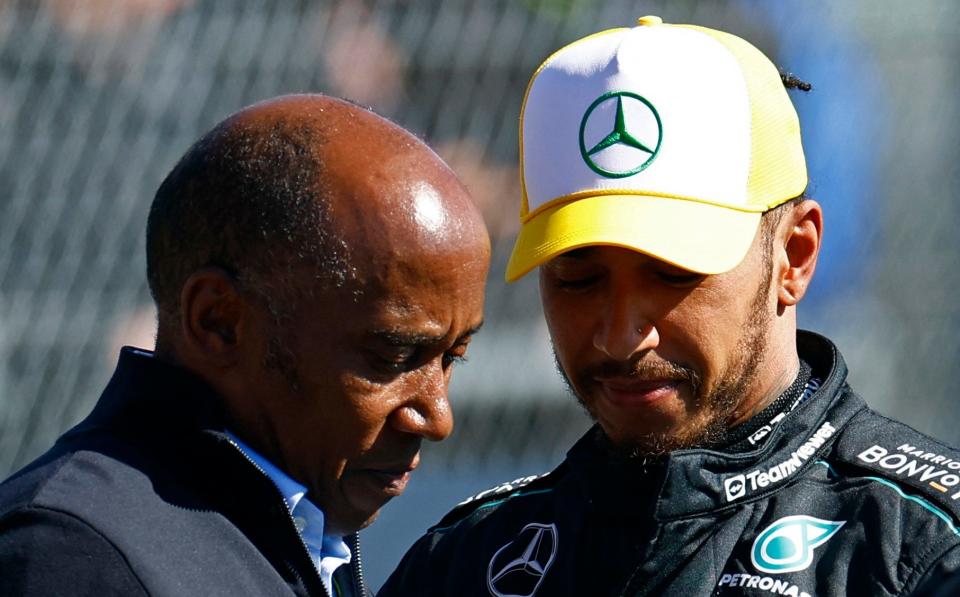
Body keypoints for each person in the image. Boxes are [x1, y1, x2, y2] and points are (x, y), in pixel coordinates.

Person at [381, 16, 960, 597]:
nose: (621, 335)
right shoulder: (466, 561)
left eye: (673, 272)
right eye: (578, 278)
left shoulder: (921, 551)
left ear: (795, 256)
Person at [0, 94, 490, 596]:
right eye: (392, 357)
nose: (437, 417)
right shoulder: (71, 557)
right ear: (219, 322)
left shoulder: (300, 537)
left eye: (454, 358)